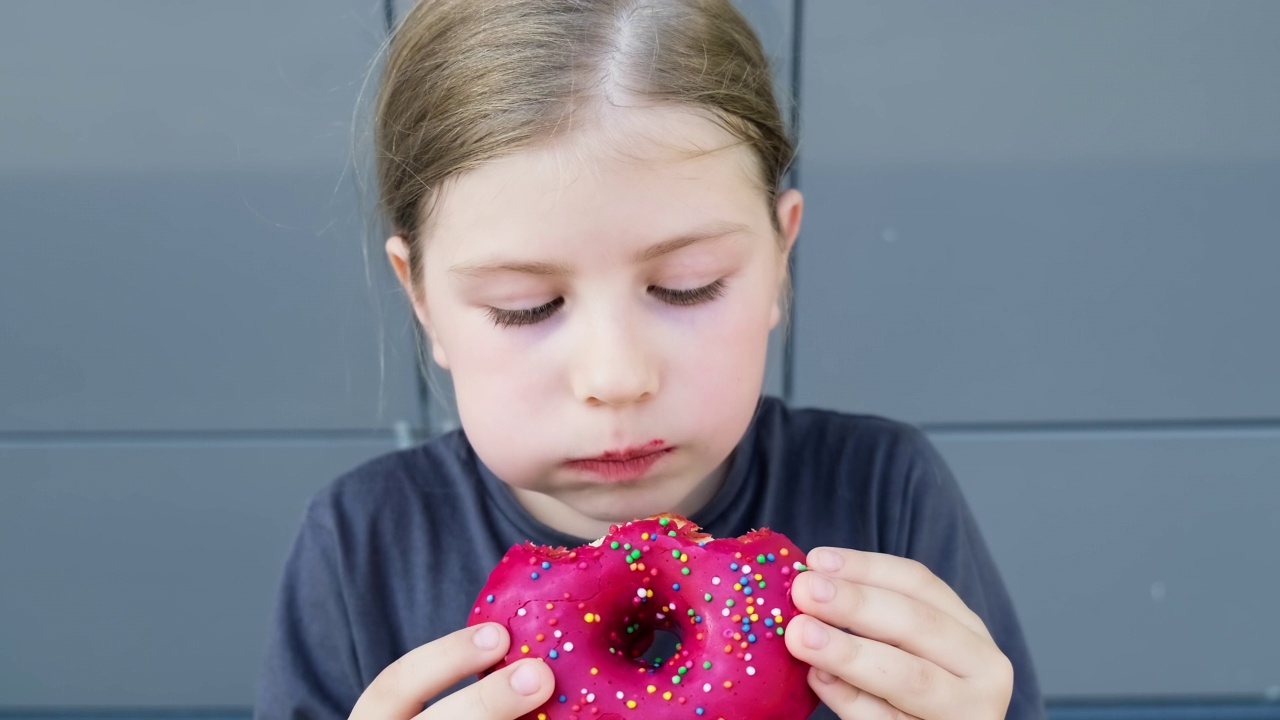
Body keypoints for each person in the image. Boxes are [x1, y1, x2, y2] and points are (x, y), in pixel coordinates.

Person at [256, 1, 1046, 718]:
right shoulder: (358, 544)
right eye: (525, 306)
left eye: (685, 287)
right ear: (422, 299)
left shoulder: (885, 494)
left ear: (779, 261)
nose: (616, 378)